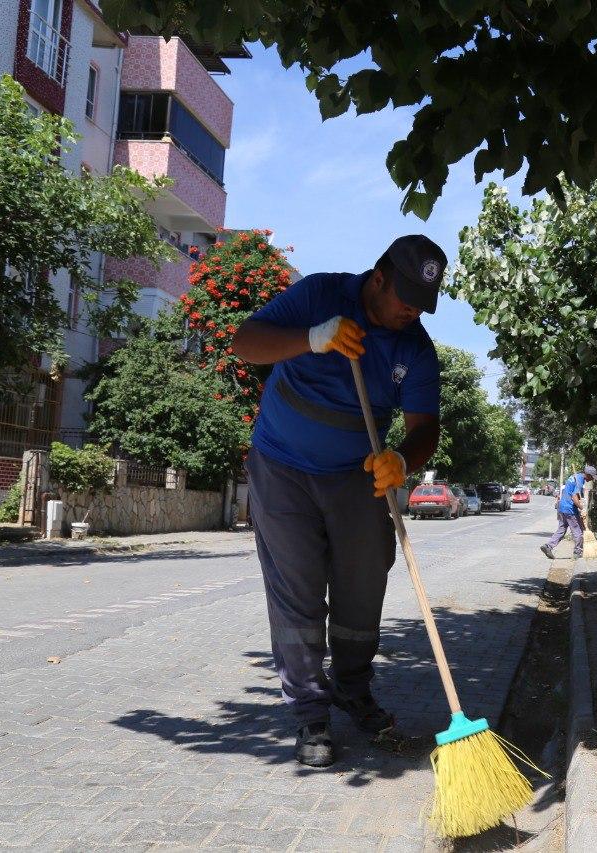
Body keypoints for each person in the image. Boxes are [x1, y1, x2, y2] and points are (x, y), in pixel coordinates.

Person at [232, 235, 445, 768]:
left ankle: (353, 687)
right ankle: (310, 711)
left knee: (363, 582)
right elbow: (244, 342)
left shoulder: (414, 347)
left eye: (423, 303)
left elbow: (425, 428)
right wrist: (311, 338)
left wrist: (402, 459)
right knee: (297, 588)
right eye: (405, 298)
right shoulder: (321, 295)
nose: (412, 311)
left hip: (358, 474)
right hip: (282, 466)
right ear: (378, 279)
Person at [541, 465, 597, 559]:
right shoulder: (579, 480)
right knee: (578, 531)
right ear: (587, 474)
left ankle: (548, 546)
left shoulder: (573, 477)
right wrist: (582, 508)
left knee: (561, 529)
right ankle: (578, 553)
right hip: (569, 509)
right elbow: (574, 497)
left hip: (562, 507)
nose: (592, 479)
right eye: (592, 477)